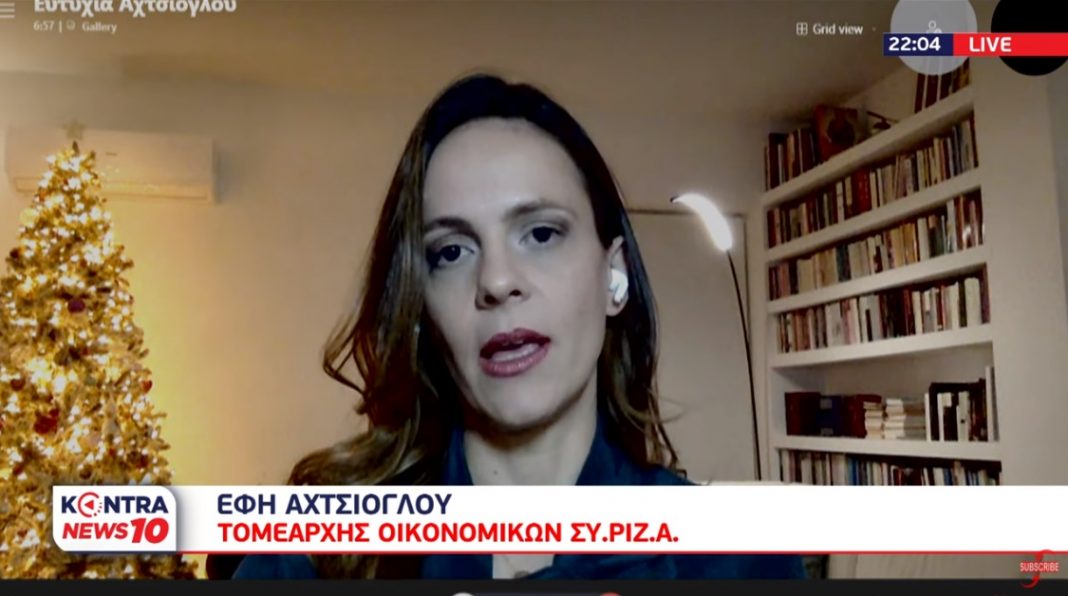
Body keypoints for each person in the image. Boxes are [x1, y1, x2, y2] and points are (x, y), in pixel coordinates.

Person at [231, 73, 805, 580]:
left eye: (541, 234)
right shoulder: (312, 554)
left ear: (613, 276)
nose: (497, 280)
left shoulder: (740, 560)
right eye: (451, 251)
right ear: (421, 305)